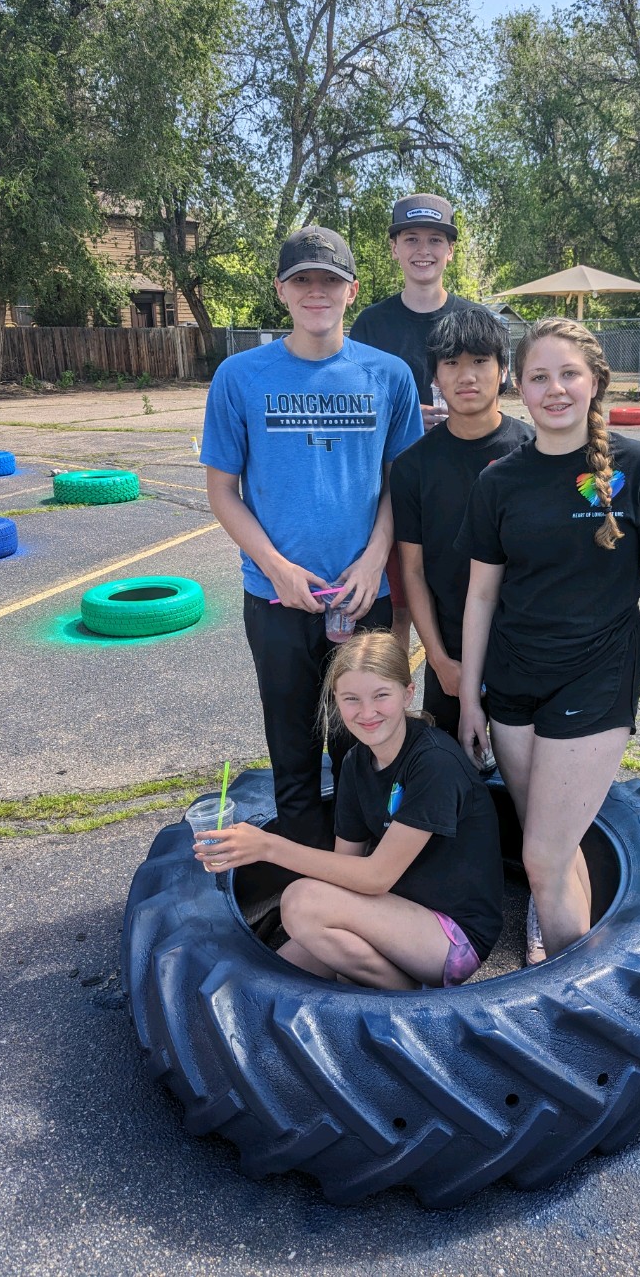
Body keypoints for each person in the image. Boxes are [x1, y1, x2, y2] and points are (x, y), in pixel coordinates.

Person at [457, 318, 640, 965]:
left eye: (567, 373)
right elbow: (481, 595)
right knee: (554, 843)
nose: (554, 388)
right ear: (519, 385)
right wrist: (468, 699)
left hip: (594, 675)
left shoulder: (636, 469)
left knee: (539, 853)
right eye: (538, 375)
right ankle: (567, 929)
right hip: (513, 682)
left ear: (595, 380)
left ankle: (579, 1006)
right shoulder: (498, 481)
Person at [201, 226, 422, 850]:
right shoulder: (240, 376)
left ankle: (368, 872)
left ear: (352, 290)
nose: (316, 292)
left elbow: (399, 485)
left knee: (368, 740)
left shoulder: (389, 376)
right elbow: (223, 491)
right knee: (293, 745)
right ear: (282, 291)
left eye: (329, 280)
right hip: (274, 596)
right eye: (303, 280)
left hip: (361, 596)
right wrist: (274, 567)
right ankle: (303, 874)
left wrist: (375, 559)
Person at [191, 632, 504, 990]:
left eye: (380, 696)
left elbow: (375, 878)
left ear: (407, 693)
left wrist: (267, 847)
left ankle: (410, 996)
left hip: (451, 937)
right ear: (336, 701)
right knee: (257, 982)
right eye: (351, 699)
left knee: (301, 903)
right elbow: (346, 870)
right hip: (393, 912)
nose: (367, 713)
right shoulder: (358, 762)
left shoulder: (433, 762)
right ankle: (362, 981)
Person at [391, 306, 533, 738]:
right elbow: (412, 570)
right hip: (450, 652)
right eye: (451, 363)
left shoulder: (534, 451)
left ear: (504, 370)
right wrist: (436, 658)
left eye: (479, 361)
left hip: (528, 648)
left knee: (526, 790)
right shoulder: (413, 466)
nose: (465, 376)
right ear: (435, 375)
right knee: (452, 779)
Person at [350, 192, 466, 646]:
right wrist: (403, 416)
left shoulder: (472, 319)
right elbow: (354, 409)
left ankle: (456, 701)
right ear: (394, 247)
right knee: (396, 609)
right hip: (392, 487)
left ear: (450, 250)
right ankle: (394, 708)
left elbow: (496, 401)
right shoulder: (371, 324)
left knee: (456, 603)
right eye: (411, 238)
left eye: (435, 239)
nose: (423, 250)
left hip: (457, 484)